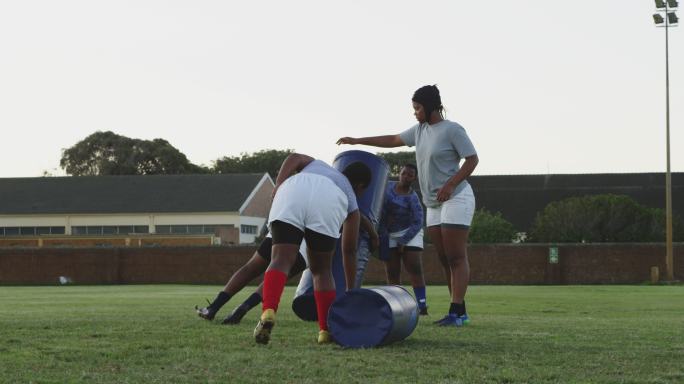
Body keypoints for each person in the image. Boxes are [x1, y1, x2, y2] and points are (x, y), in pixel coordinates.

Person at [337, 84, 479, 327]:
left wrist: (451, 185)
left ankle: (456, 312)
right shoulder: (420, 130)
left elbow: (472, 159)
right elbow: (393, 139)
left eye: (417, 108)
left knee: (456, 256)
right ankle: (459, 309)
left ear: (430, 107)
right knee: (444, 258)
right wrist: (356, 140)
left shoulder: (452, 130)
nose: (415, 112)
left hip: (456, 197)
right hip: (434, 203)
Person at [254, 153, 371, 344]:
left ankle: (268, 311)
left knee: (281, 259)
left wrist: (279, 185)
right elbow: (349, 250)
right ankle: (325, 331)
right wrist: (351, 290)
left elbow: (294, 158)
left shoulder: (319, 165)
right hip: (331, 200)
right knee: (322, 270)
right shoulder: (350, 196)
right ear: (361, 187)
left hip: (293, 190)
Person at [194, 233, 308, 324]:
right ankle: (242, 308)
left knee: (251, 267)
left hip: (285, 227)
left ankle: (213, 307)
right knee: (276, 279)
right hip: (309, 243)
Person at [378, 163, 428, 315]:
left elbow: (418, 221)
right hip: (389, 233)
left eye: (410, 175)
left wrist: (404, 240)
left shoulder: (412, 198)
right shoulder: (386, 187)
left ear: (414, 178)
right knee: (392, 272)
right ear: (399, 173)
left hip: (409, 232)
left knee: (414, 267)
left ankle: (422, 306)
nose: (406, 177)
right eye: (404, 173)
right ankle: (396, 306)